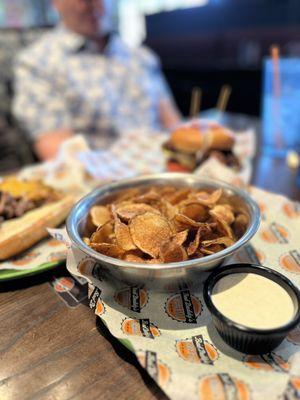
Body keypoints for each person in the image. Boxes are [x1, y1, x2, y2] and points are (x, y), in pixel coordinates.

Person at [13, 0, 181, 160]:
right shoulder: (37, 63)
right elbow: (60, 154)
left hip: (168, 170)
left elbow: (173, 124)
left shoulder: (141, 56)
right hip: (104, 181)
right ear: (55, 2)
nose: (92, 4)